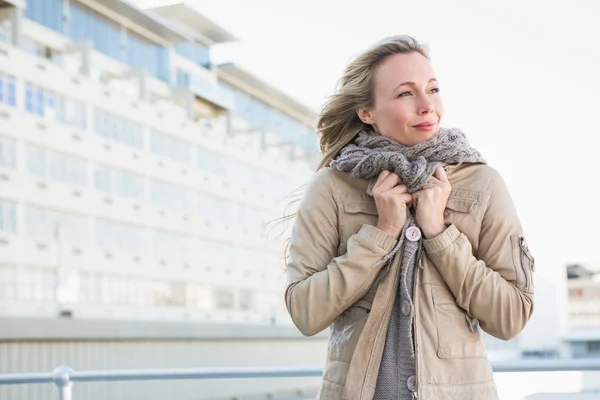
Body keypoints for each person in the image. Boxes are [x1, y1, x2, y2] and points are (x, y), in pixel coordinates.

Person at [284, 35, 535, 400]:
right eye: (405, 94)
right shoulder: (332, 186)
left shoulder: (483, 183)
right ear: (366, 112)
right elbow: (305, 312)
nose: (426, 106)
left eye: (432, 90)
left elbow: (511, 316)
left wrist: (439, 234)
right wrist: (381, 234)